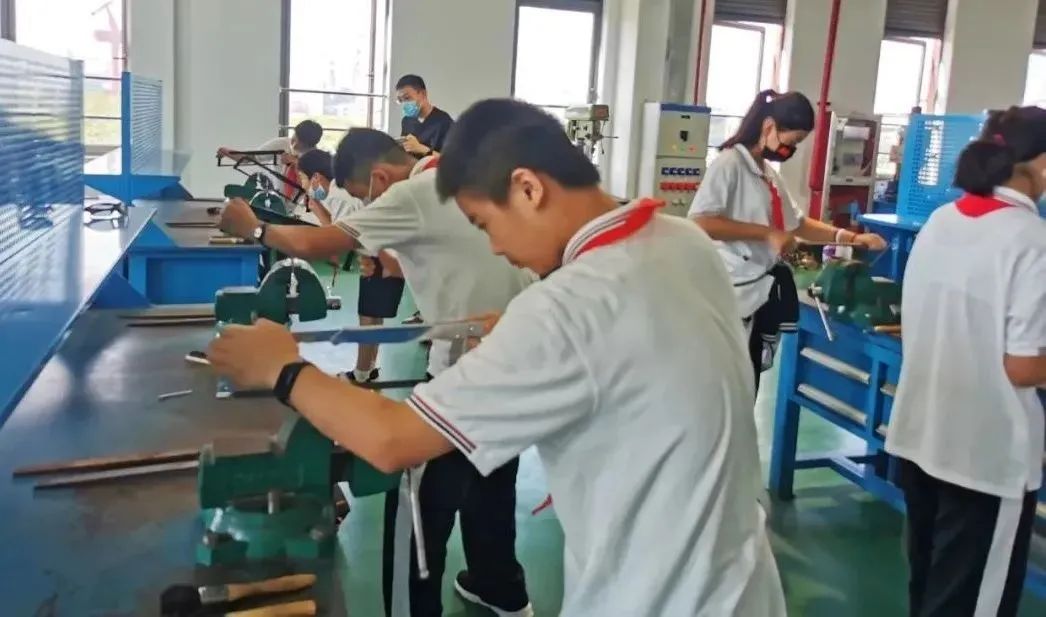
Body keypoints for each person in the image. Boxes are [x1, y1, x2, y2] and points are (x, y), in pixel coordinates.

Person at [209, 99, 787, 616]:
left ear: (528, 188)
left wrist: (283, 367)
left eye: (485, 224)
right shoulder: (683, 242)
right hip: (745, 593)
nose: (493, 247)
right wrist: (514, 326)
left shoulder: (563, 309)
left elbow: (392, 441)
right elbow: (631, 341)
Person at [217, 127, 535, 617]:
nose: (369, 204)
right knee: (492, 481)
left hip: (467, 368)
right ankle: (501, 589)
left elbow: (314, 242)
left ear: (380, 177)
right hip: (521, 356)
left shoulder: (415, 191)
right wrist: (391, 264)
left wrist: (254, 227)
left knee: (417, 504)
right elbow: (455, 253)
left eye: (366, 195)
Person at [885, 106, 1046, 617]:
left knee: (931, 592)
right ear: (1041, 163)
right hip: (985, 457)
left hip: (921, 438)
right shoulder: (1030, 239)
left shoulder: (941, 220)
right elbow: (1023, 367)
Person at [689, 90, 886, 392]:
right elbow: (701, 222)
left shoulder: (767, 174)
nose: (789, 150)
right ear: (769, 126)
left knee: (748, 382)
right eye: (791, 141)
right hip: (732, 294)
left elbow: (798, 224)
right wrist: (766, 233)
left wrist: (851, 237)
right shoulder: (729, 164)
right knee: (727, 387)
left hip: (759, 294)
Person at [218, 119, 324, 198]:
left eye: (299, 143)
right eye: (293, 139)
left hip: (303, 206)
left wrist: (297, 164)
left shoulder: (319, 160)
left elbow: (315, 191)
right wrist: (228, 152)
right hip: (277, 200)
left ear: (311, 145)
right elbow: (251, 157)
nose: (294, 145)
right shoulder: (281, 144)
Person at [396, 74, 454, 159]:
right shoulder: (407, 121)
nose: (404, 103)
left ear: (423, 94)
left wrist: (421, 149)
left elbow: (451, 160)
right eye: (400, 100)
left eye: (407, 98)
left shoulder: (444, 122)